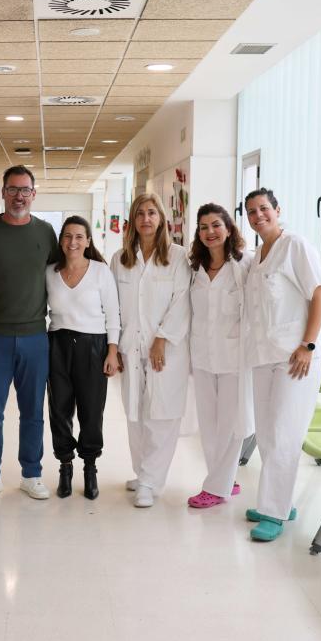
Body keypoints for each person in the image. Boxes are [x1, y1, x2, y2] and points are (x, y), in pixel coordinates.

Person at [0, 165, 57, 501]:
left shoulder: (46, 233)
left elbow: (60, 275)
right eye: (13, 189)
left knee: (33, 411)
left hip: (35, 337)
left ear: (34, 194)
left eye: (25, 190)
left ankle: (32, 473)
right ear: (3, 192)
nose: (19, 196)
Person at [243, 188, 321, 542]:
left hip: (296, 357)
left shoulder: (295, 245)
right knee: (265, 433)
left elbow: (319, 292)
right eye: (251, 211)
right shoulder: (257, 256)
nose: (258, 215)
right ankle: (279, 501)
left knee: (284, 434)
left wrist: (308, 344)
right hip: (264, 355)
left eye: (264, 208)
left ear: (278, 210)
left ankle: (274, 512)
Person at [110, 193, 191, 508]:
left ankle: (150, 481)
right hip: (131, 348)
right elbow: (114, 307)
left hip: (164, 350)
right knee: (135, 413)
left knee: (161, 416)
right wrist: (114, 347)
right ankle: (143, 472)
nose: (146, 218)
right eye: (140, 213)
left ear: (162, 219)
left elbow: (182, 301)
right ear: (132, 220)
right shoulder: (121, 259)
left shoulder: (178, 256)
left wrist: (162, 338)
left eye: (152, 213)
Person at [46, 216, 120, 500]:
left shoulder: (100, 272)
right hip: (58, 345)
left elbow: (113, 314)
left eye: (79, 236)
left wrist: (112, 351)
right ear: (61, 240)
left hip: (93, 346)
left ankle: (90, 467)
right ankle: (65, 466)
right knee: (59, 409)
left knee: (91, 410)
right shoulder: (50, 272)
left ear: (88, 241)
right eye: (67, 236)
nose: (73, 242)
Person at [186, 203, 254, 509]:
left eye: (216, 225)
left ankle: (215, 488)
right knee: (209, 426)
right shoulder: (194, 269)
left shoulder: (245, 265)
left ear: (228, 228)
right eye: (203, 227)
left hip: (233, 358)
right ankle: (227, 480)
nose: (210, 232)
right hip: (202, 356)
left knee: (230, 425)